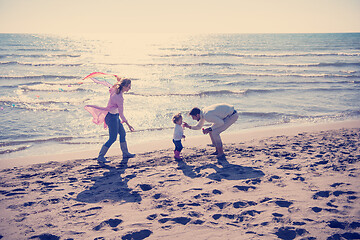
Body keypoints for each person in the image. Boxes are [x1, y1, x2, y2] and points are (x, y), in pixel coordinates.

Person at [84, 77, 135, 163]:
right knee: (112, 138)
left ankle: (125, 153)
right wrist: (129, 125)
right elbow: (121, 114)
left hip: (114, 116)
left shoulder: (115, 89)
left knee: (122, 133)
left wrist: (119, 79)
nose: (129, 89)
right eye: (128, 87)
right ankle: (100, 157)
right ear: (124, 86)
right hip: (112, 118)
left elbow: (113, 86)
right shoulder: (119, 98)